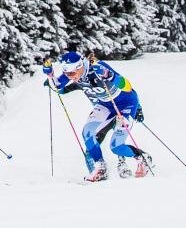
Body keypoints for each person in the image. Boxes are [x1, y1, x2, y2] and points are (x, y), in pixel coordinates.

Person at [48, 51, 153, 181]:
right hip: (105, 105)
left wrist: (110, 76)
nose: (70, 77)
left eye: (72, 74)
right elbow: (57, 86)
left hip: (126, 104)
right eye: (67, 74)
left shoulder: (98, 67)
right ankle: (100, 167)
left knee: (116, 147)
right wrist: (50, 75)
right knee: (87, 132)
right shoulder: (72, 72)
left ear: (80, 66)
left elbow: (127, 86)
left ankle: (142, 158)